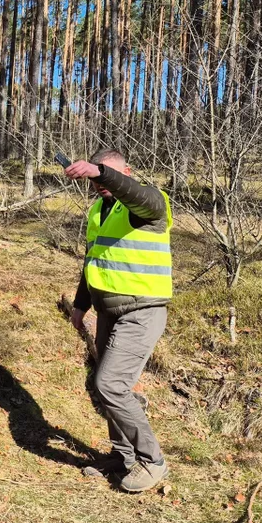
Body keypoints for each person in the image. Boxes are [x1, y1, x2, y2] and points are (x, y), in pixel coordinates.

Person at [65, 148, 172, 493]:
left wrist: (100, 172)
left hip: (142, 311)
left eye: (107, 174)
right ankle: (122, 455)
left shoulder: (147, 205)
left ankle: (152, 461)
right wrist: (81, 304)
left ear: (126, 171)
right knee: (106, 383)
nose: (99, 182)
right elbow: (93, 258)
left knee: (111, 385)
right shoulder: (100, 209)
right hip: (108, 310)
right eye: (96, 176)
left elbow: (140, 195)